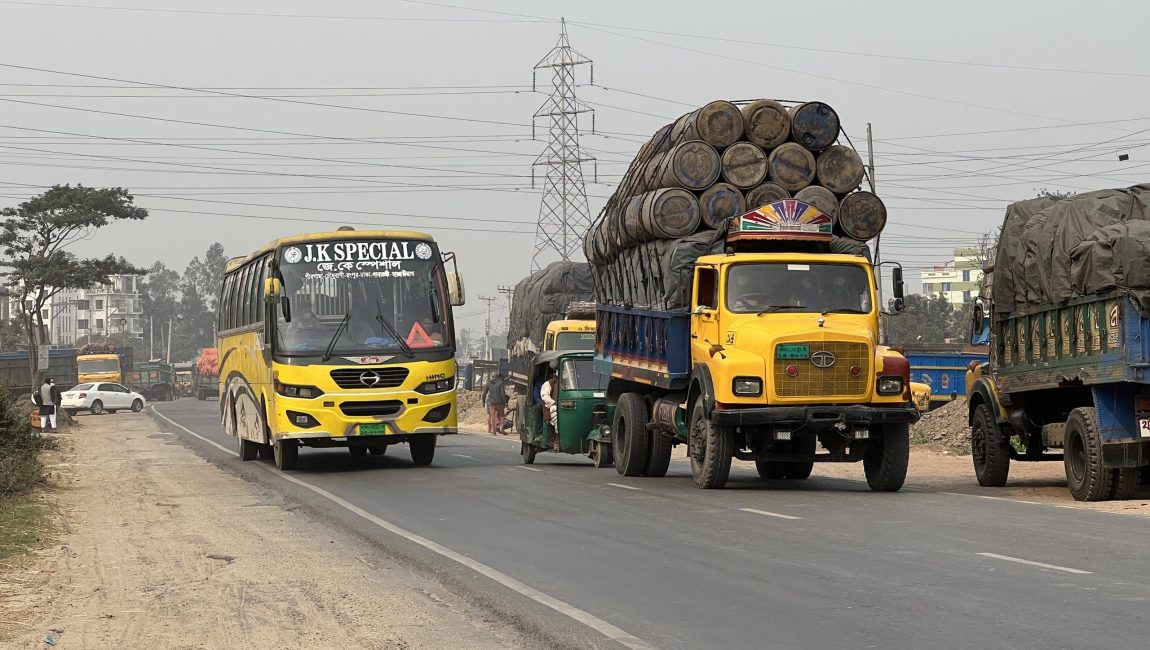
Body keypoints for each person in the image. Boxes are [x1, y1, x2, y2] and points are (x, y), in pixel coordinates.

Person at [539, 366, 559, 448]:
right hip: (551, 408)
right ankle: (555, 440)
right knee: (557, 416)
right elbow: (545, 397)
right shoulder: (548, 383)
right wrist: (553, 403)